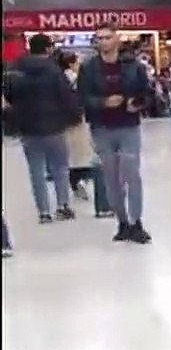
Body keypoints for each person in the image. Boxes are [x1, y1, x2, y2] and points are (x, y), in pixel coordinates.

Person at [78, 24, 152, 244]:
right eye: (99, 38)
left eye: (108, 37)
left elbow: (147, 93)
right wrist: (103, 103)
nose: (103, 42)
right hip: (101, 127)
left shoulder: (134, 66)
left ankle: (136, 222)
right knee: (111, 178)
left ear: (117, 39)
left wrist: (137, 104)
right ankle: (122, 222)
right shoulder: (89, 68)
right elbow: (81, 97)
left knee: (131, 173)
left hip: (128, 126)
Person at [3, 33, 82, 223]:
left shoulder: (16, 70)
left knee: (36, 171)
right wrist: (75, 117)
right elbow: (66, 96)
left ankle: (44, 212)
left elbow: (8, 97)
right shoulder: (54, 70)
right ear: (48, 48)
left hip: (28, 128)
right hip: (54, 126)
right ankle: (63, 206)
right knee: (60, 168)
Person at [58, 51, 111, 219]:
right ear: (71, 63)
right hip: (79, 120)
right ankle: (83, 183)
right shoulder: (75, 78)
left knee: (73, 156)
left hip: (65, 121)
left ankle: (76, 183)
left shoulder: (60, 78)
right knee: (86, 155)